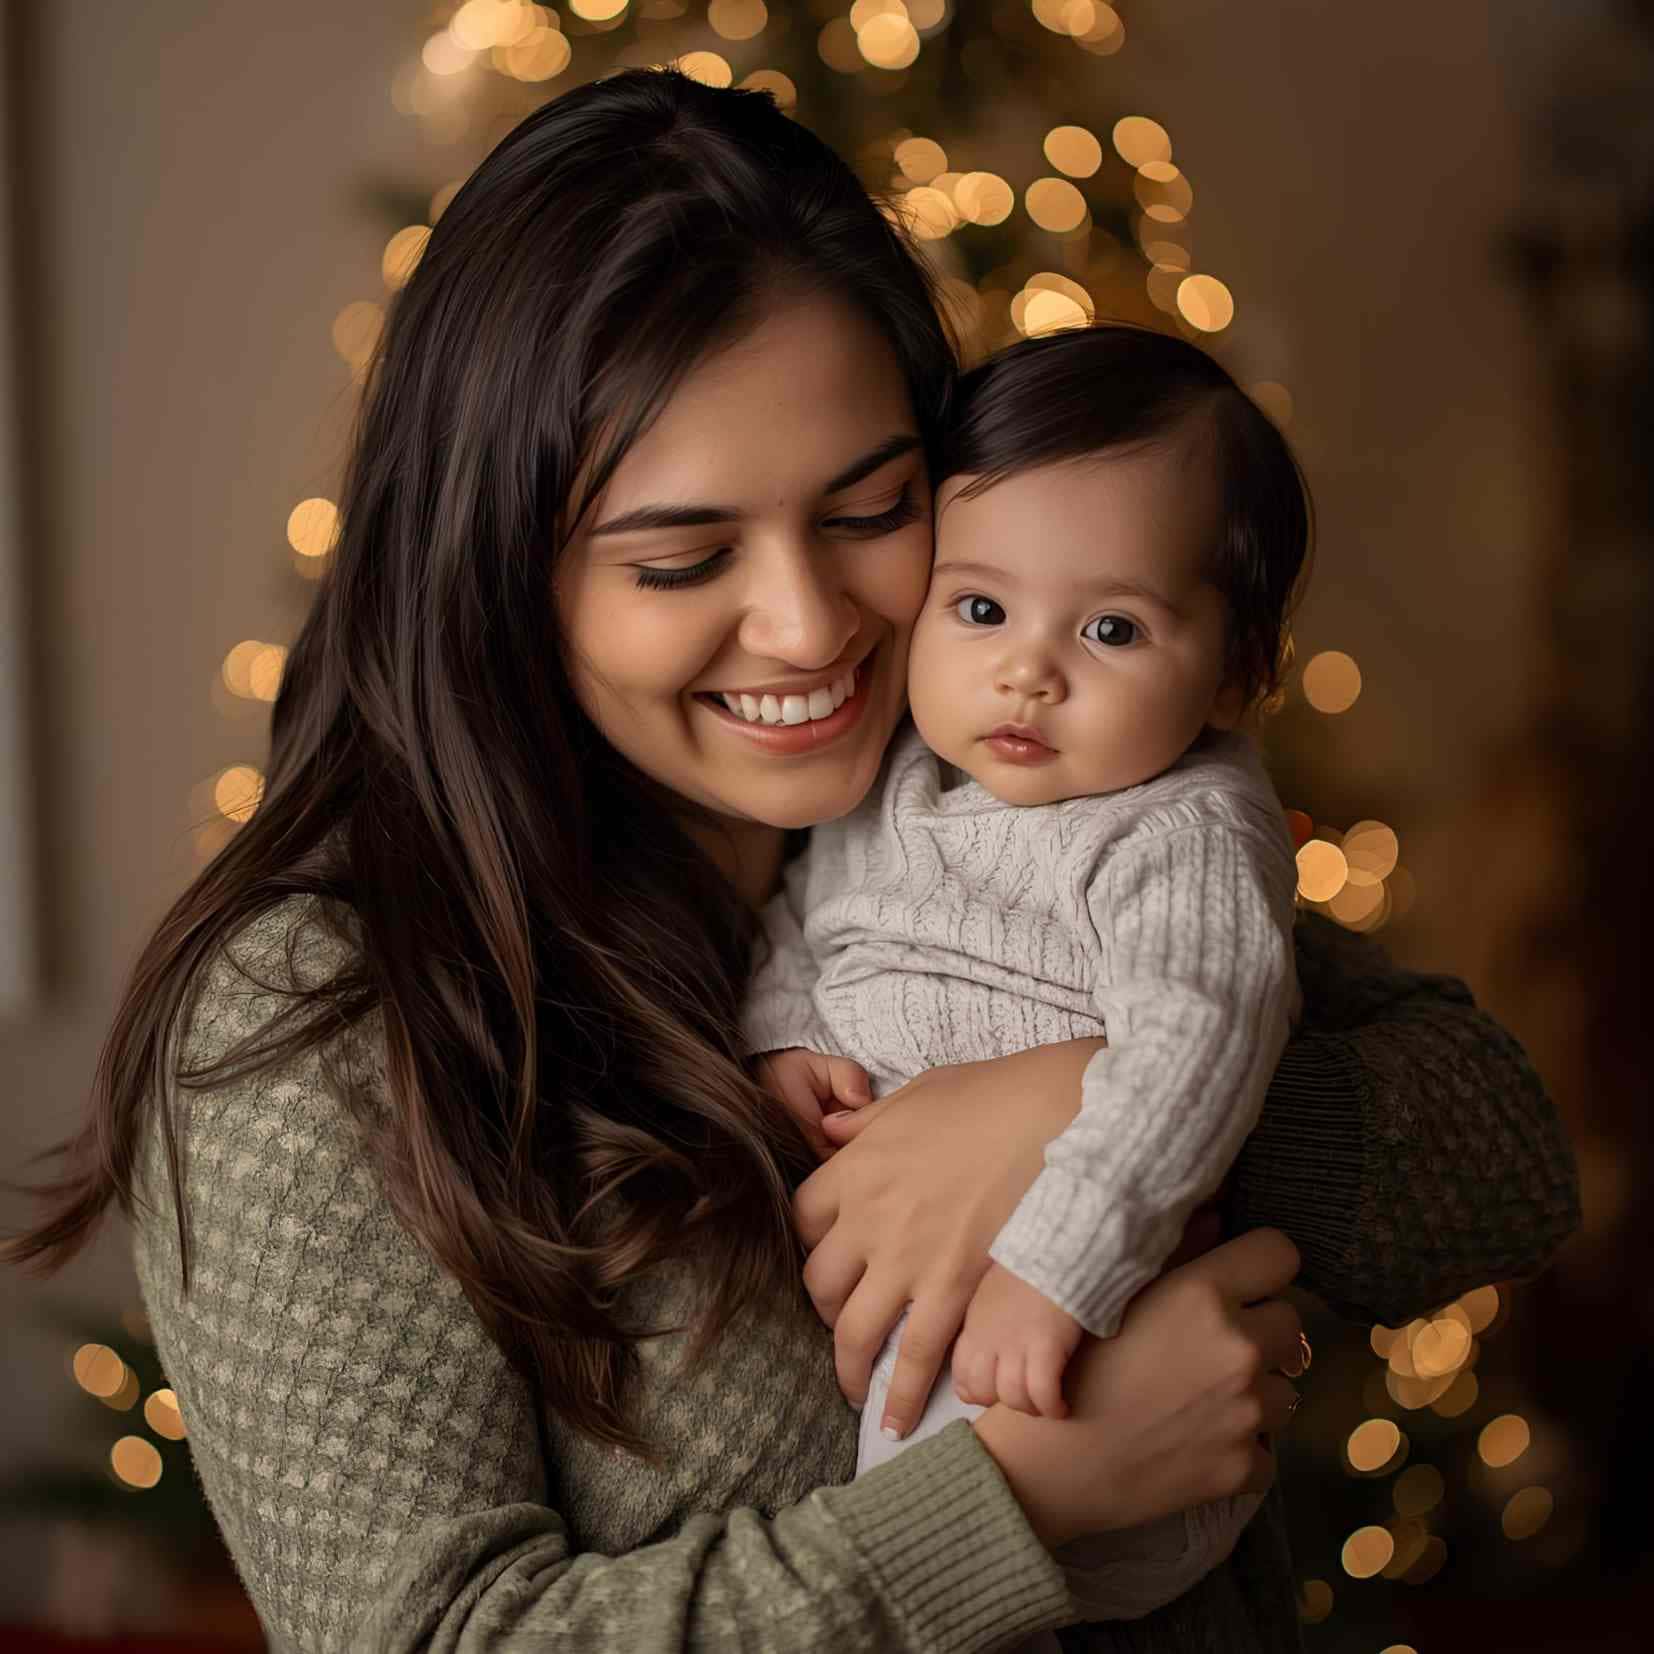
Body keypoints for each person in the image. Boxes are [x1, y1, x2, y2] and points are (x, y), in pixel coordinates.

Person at [3, 72, 1578, 1654]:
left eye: (871, 510)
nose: (812, 626)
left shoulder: (1011, 786)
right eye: (683, 558)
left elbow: (1500, 1164)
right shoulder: (312, 1015)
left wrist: (1072, 1098)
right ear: (497, 567)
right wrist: (1014, 1504)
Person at [746, 323, 1309, 1630]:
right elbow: (802, 916)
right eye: (981, 607)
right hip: (901, 1321)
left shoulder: (1174, 829)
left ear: (1234, 673)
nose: (1027, 668)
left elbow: (1198, 1037)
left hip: (1081, 1317)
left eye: (1110, 626)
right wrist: (784, 1028)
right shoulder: (896, 778)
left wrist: (1061, 1268)